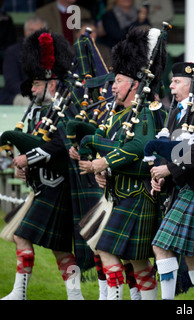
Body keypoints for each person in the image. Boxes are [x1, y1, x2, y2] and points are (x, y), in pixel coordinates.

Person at [78, 26, 167, 300]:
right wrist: (98, 163)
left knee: (107, 250)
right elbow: (104, 139)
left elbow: (141, 147)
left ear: (135, 84)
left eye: (118, 80)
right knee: (138, 263)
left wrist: (104, 162)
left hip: (138, 193)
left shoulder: (149, 112)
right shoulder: (118, 114)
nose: (112, 86)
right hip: (121, 193)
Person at [1, 29, 89, 300]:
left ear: (51, 83)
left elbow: (61, 145)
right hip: (42, 185)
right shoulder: (38, 110)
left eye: (37, 83)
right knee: (58, 247)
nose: (32, 88)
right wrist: (25, 165)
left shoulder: (69, 107)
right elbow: (33, 142)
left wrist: (29, 158)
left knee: (23, 235)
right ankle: (73, 296)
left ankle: (20, 293)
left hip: (59, 185)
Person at [149, 61, 194, 300]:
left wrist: (169, 170)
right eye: (171, 81)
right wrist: (159, 174)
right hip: (180, 189)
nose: (171, 86)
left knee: (163, 247)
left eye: (177, 81)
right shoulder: (175, 111)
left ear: (192, 86)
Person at [0, 16, 47, 106]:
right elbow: (12, 83)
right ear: (25, 32)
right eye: (31, 30)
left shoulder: (51, 51)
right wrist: (34, 91)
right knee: (29, 102)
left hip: (45, 93)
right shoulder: (13, 51)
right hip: (20, 94)